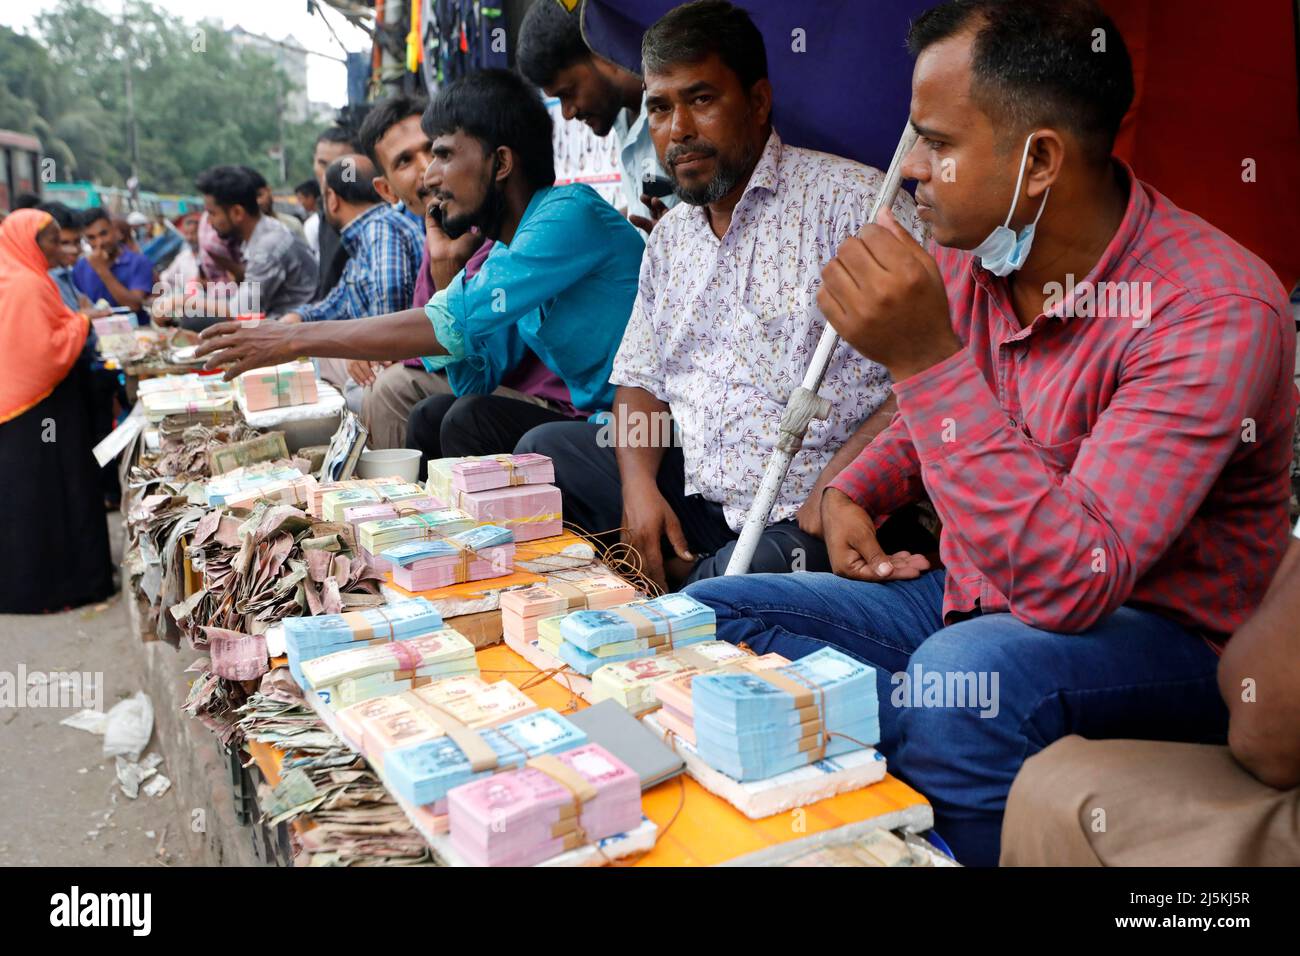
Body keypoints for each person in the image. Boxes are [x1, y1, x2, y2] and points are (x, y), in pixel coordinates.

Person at [685, 0, 1296, 867]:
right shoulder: (979, 256)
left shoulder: (1209, 311)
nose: (911, 173)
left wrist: (920, 357)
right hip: (974, 600)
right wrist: (859, 485)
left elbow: (1073, 582)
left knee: (962, 685)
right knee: (716, 617)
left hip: (1158, 640)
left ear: (1039, 159)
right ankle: (879, 774)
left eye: (937, 144)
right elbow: (940, 418)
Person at [518, 0, 923, 589]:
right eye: (659, 108)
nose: (678, 130)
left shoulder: (859, 209)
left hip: (818, 516)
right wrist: (638, 491)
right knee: (544, 453)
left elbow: (930, 378)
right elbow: (641, 382)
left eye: (701, 100)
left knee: (745, 578)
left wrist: (843, 484)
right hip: (704, 500)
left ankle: (684, 586)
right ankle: (681, 577)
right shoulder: (670, 240)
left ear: (758, 102)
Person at [195, 69, 645, 462]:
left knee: (530, 439)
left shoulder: (564, 216)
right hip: (593, 425)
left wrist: (292, 339)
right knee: (446, 414)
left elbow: (445, 325)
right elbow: (473, 379)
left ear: (501, 163)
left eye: (443, 155)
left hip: (641, 433)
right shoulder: (503, 249)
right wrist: (447, 269)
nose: (431, 176)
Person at [1001, 524, 1300, 866]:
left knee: (972, 682)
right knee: (1045, 784)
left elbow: (1265, 740)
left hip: (1211, 655)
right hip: (1239, 679)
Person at [0, 209, 115, 613]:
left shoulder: (16, 277)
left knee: (29, 499)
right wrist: (83, 321)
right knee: (56, 495)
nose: (58, 247)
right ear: (29, 244)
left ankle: (34, 586)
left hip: (19, 408)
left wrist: (76, 321)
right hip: (42, 404)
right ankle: (65, 586)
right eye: (49, 240)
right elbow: (44, 353)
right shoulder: (30, 284)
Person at [517, 0, 677, 230]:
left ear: (600, 50)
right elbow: (644, 212)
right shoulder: (625, 122)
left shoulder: (673, 116)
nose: (567, 112)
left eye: (568, 93)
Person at [156, 165, 317, 321]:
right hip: (281, 325)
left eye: (212, 213)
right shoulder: (264, 232)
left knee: (194, 321)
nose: (210, 223)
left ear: (237, 213)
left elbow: (239, 310)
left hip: (297, 332)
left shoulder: (267, 246)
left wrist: (179, 302)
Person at [311, 126, 364, 302]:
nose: (328, 174)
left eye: (340, 165)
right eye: (322, 163)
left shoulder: (368, 219)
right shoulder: (324, 215)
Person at [73, 207, 153, 321]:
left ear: (115, 231)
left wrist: (102, 270)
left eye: (103, 234)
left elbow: (134, 305)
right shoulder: (81, 267)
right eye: (91, 238)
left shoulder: (139, 262)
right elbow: (83, 307)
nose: (99, 242)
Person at [37, 202, 92, 311]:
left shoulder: (67, 273)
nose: (74, 250)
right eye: (64, 243)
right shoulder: (44, 280)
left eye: (77, 242)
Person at [248, 168, 307, 242]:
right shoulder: (246, 234)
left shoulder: (292, 225)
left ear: (269, 190)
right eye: (251, 198)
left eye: (260, 195)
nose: (258, 202)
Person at [159, 211, 202, 291]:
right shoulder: (183, 257)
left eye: (193, 233)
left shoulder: (208, 257)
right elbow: (167, 277)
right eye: (186, 234)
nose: (189, 238)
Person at [295, 179, 322, 257]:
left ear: (310, 197)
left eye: (300, 198)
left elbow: (310, 251)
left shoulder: (311, 223)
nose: (299, 203)